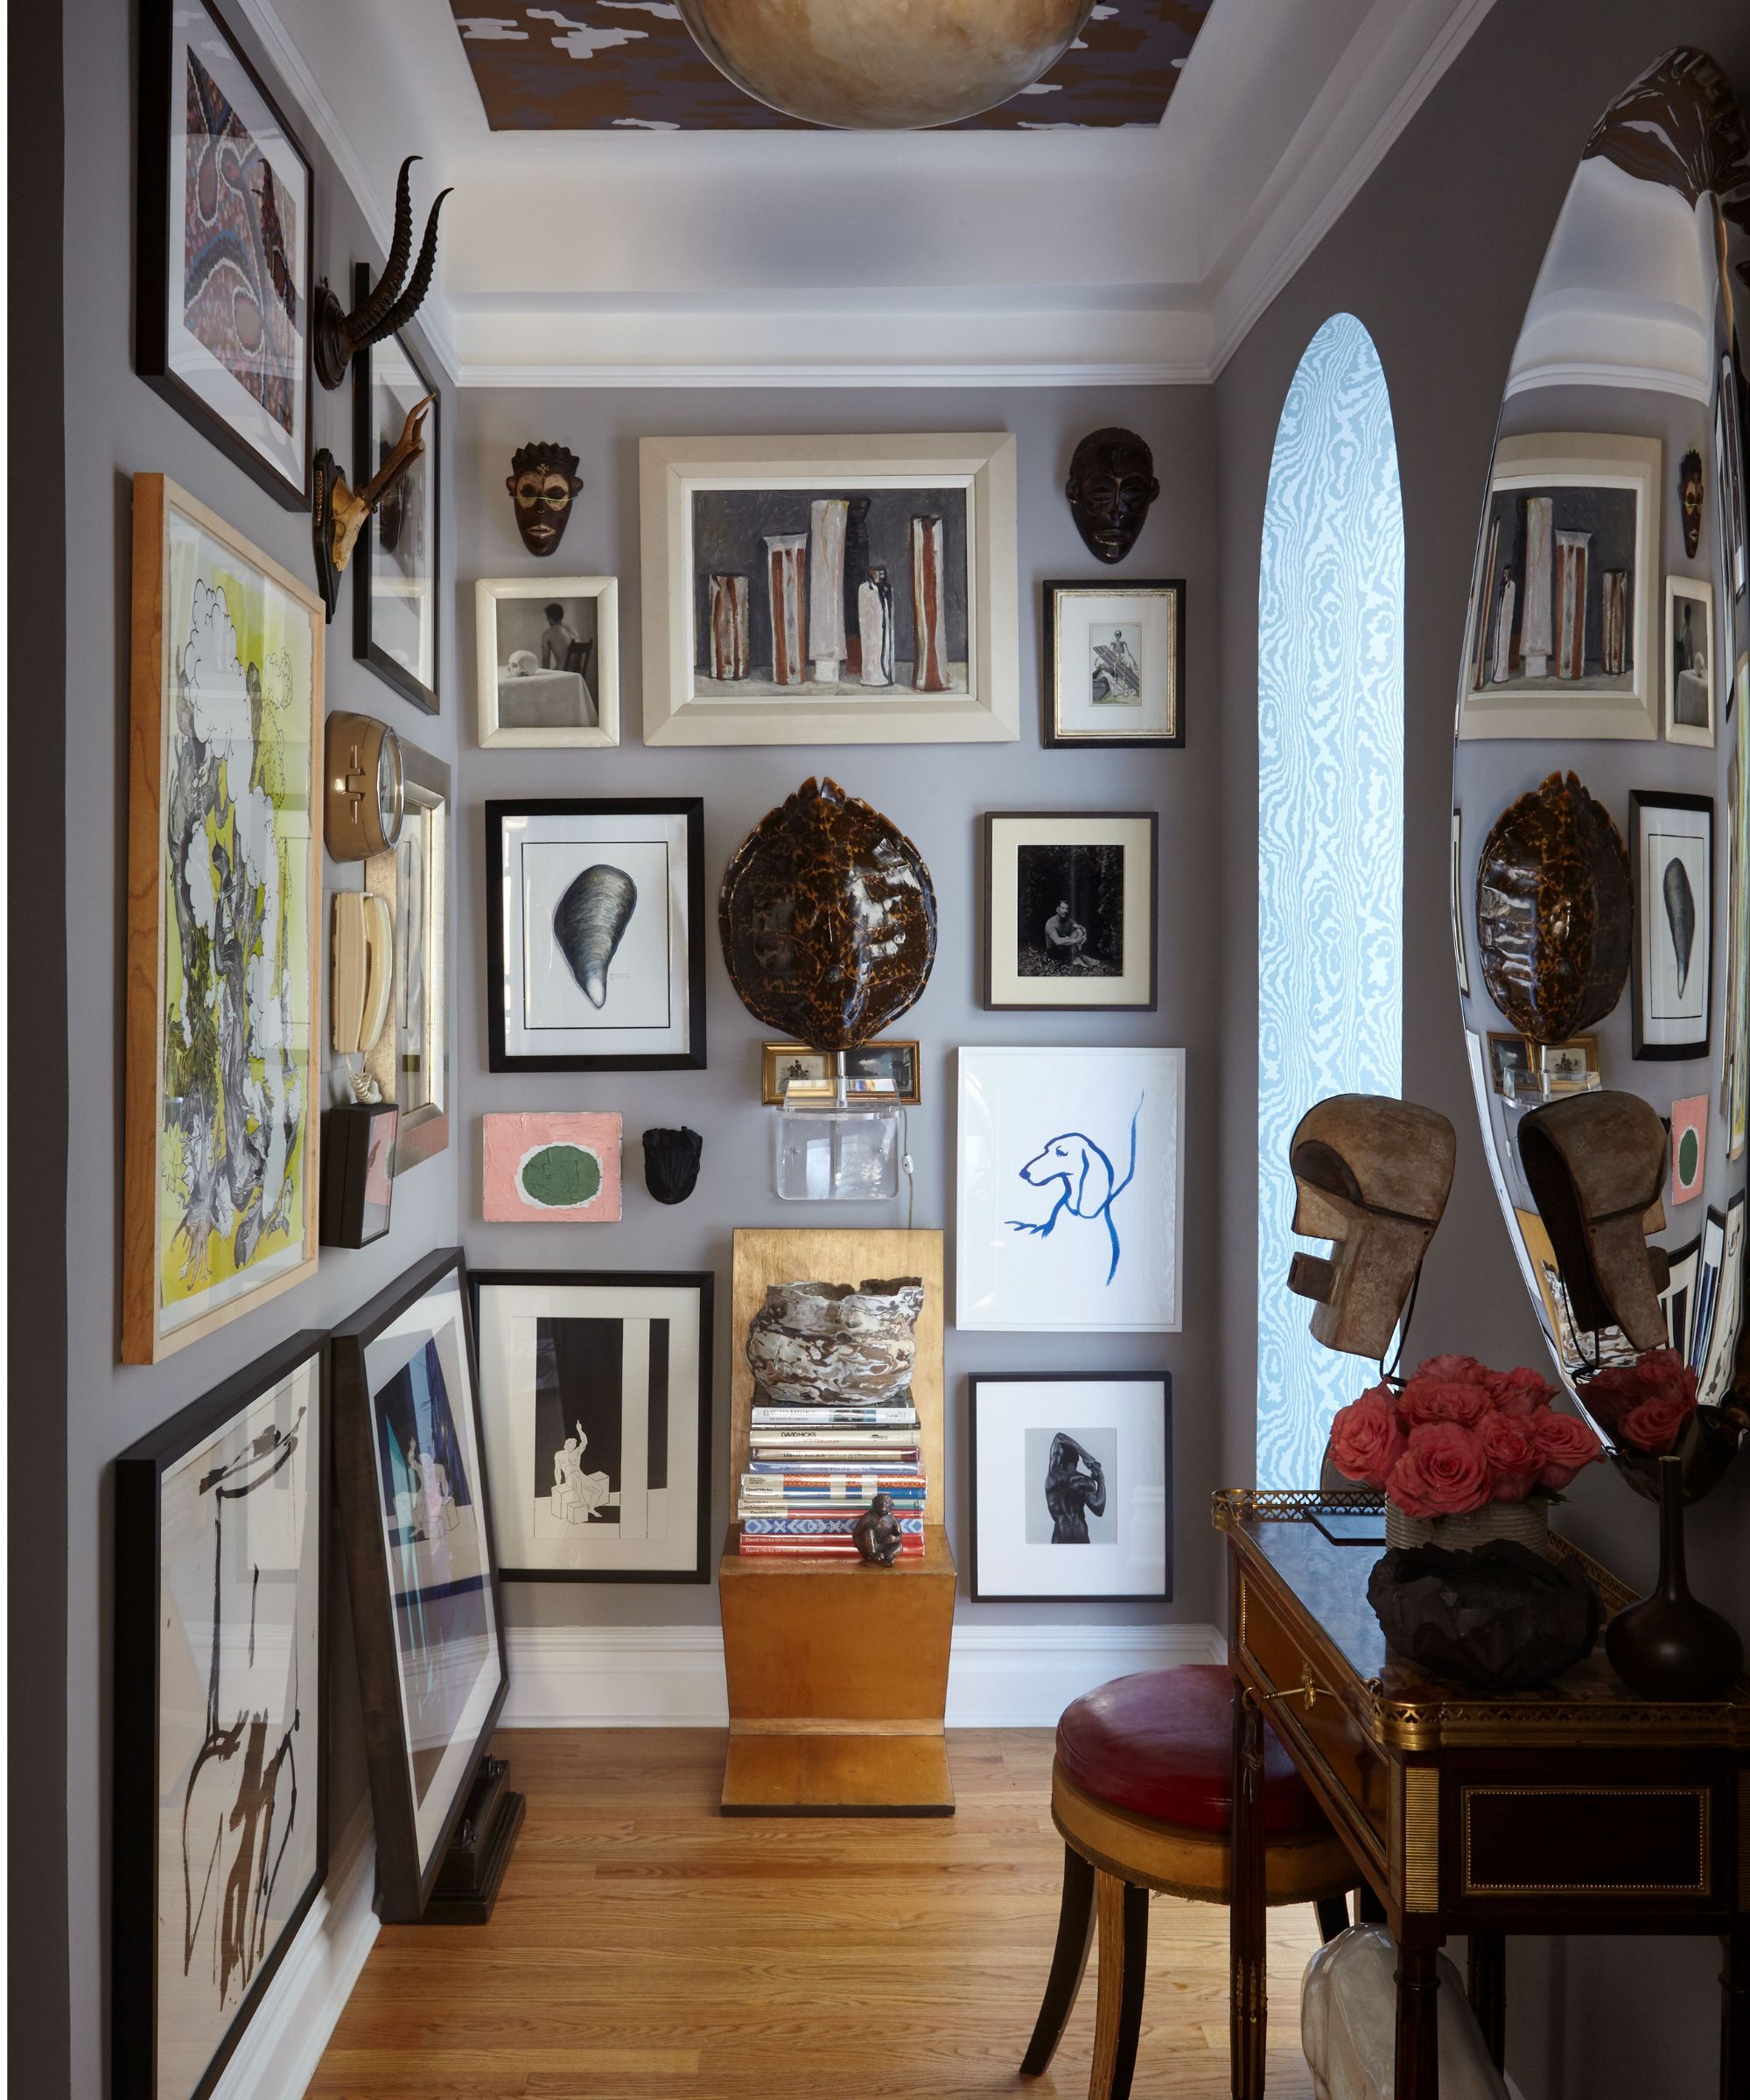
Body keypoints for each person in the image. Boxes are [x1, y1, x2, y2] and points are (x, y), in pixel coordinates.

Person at [1044, 1432, 1107, 1544]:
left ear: (1059, 1458)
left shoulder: (1053, 1478)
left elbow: (1059, 1437)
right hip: (1080, 1533)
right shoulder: (1085, 1482)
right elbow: (1099, 1509)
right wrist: (1101, 1480)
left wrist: (1085, 1455)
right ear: (1077, 1460)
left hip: (1061, 1534)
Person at [1044, 900, 1088, 964]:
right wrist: (1076, 940)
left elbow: (1081, 928)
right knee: (1067, 942)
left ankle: (1080, 956)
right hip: (1053, 951)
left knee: (1078, 931)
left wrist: (1084, 936)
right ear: (1057, 909)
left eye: (1067, 909)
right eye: (1063, 908)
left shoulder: (1069, 920)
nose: (1065, 911)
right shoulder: (1050, 923)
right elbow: (1057, 941)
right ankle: (1077, 959)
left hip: (1065, 947)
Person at [539, 603, 579, 673]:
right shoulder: (573, 631)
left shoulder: (547, 633)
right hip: (577, 674)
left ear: (550, 618)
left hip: (563, 673)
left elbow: (546, 661)